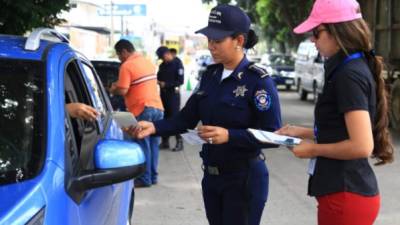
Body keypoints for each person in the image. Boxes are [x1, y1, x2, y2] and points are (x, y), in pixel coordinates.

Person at [128, 4, 281, 225]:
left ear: (239, 40)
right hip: (212, 177)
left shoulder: (258, 80)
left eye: (217, 41)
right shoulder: (211, 75)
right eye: (209, 40)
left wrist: (230, 135)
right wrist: (155, 127)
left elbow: (273, 134)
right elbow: (186, 118)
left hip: (243, 179)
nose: (211, 46)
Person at [276, 0, 394, 224]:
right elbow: (343, 129)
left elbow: (361, 145)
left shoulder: (348, 75)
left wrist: (313, 149)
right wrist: (303, 132)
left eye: (316, 32)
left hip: (346, 196)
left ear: (336, 31)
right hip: (347, 193)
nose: (312, 39)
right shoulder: (350, 67)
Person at [110, 39, 164, 187]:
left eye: (119, 55)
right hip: (158, 107)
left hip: (142, 108)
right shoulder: (147, 62)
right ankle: (152, 177)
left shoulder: (127, 65)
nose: (119, 58)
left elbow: (123, 90)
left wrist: (113, 88)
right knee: (153, 144)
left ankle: (144, 179)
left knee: (142, 143)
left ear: (124, 52)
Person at [156, 46, 185, 151]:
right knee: (165, 118)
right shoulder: (162, 65)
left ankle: (179, 142)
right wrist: (159, 82)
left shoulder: (178, 64)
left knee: (174, 118)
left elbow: (180, 81)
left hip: (173, 95)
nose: (162, 59)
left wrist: (166, 84)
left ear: (167, 54)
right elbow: (158, 77)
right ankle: (165, 142)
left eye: (163, 57)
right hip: (163, 95)